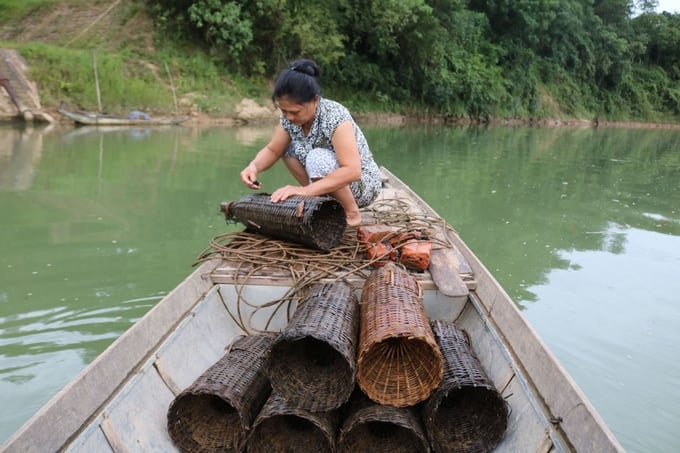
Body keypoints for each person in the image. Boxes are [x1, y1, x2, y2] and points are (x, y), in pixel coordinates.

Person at [239, 58, 381, 226]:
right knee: (287, 148)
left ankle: (352, 213)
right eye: (284, 111)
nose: (289, 117)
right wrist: (253, 167)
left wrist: (303, 191)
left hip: (362, 186)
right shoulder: (289, 121)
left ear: (315, 100)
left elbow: (353, 171)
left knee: (317, 157)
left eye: (295, 112)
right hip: (326, 185)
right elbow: (273, 150)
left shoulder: (334, 116)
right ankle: (320, 200)